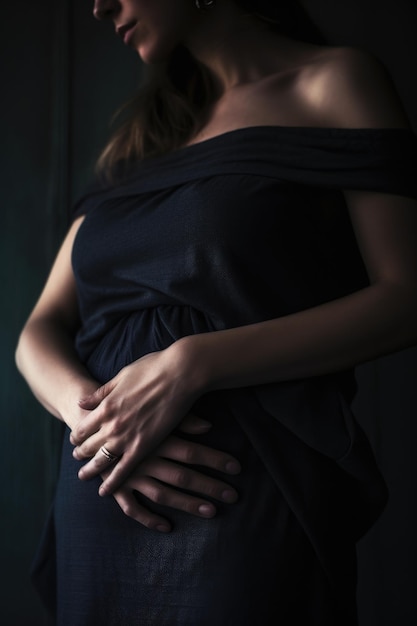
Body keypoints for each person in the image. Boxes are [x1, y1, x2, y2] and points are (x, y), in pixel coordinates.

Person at [16, 0, 417, 624]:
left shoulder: (334, 83)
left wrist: (191, 364)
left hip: (236, 491)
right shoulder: (142, 139)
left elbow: (406, 298)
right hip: (105, 495)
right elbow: (38, 328)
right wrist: (90, 418)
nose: (98, 7)